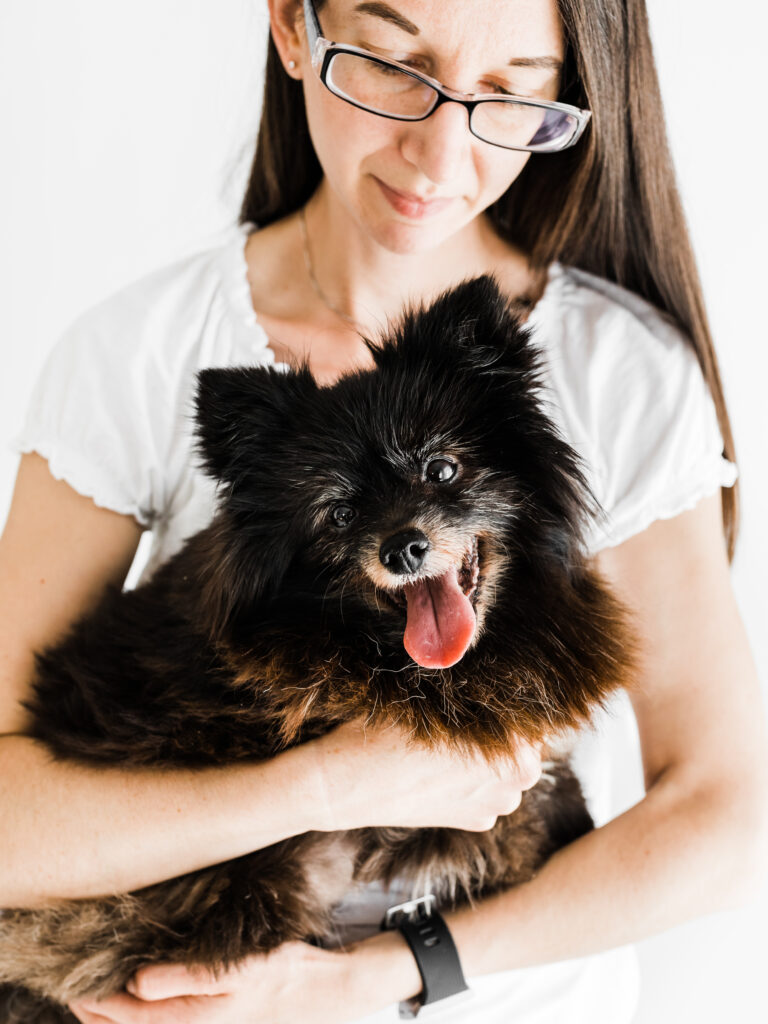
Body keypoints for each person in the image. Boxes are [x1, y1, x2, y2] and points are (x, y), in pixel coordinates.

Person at [1, 0, 766, 1021]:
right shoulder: (136, 354)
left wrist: (378, 974)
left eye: (508, 93)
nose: (440, 153)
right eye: (397, 64)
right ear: (294, 27)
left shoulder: (620, 371)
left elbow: (725, 821)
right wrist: (329, 785)